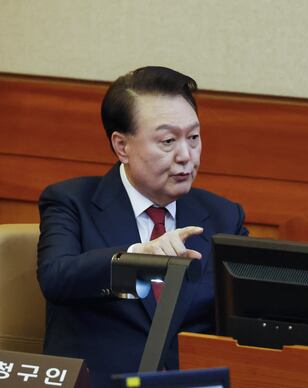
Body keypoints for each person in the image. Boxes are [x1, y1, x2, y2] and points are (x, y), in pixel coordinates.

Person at [36, 66, 247, 387]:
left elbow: (249, 311)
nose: (186, 156)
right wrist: (136, 258)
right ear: (122, 146)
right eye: (167, 141)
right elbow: (56, 277)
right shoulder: (71, 201)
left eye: (193, 137)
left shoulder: (223, 216)